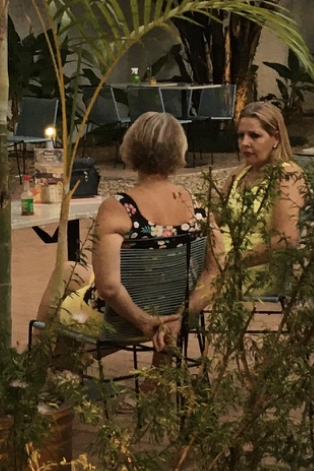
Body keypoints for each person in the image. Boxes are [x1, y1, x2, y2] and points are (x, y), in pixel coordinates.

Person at [37, 111, 205, 351]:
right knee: (68, 270)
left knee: (67, 293)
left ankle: (42, 357)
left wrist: (143, 320)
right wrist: (182, 315)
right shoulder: (196, 205)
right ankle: (62, 364)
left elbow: (108, 288)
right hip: (172, 312)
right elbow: (216, 269)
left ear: (131, 148)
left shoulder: (119, 208)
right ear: (179, 150)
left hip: (122, 320)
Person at [186, 100, 306, 315]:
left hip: (250, 273)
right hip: (217, 266)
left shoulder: (286, 176)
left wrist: (229, 262)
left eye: (254, 136)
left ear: (276, 138)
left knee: (176, 291)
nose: (245, 143)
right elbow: (211, 219)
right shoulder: (239, 174)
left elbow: (284, 240)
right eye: (241, 136)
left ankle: (176, 323)